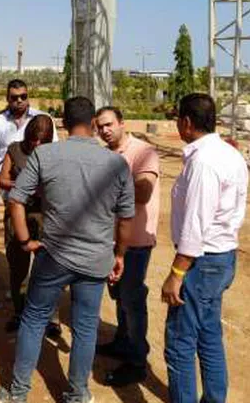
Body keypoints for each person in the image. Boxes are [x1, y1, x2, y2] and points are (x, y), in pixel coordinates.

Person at [0, 97, 137, 403]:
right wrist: (119, 254)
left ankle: (18, 392)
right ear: (94, 124)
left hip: (53, 256)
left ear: (63, 123)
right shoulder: (116, 163)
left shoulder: (45, 154)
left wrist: (24, 240)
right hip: (95, 258)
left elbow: (16, 199)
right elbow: (126, 218)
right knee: (85, 327)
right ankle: (77, 393)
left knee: (33, 319)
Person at [162, 93, 248, 403]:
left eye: (178, 119)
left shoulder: (203, 163)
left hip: (201, 262)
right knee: (208, 334)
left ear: (186, 122)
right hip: (221, 257)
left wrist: (176, 274)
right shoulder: (228, 154)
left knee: (180, 341)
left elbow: (196, 225)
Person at [94, 106, 161, 386]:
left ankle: (136, 362)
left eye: (109, 124)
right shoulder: (106, 155)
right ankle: (123, 342)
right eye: (100, 126)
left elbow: (143, 192)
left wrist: (109, 186)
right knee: (119, 295)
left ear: (122, 123)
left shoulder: (143, 152)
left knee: (132, 300)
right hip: (112, 240)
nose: (105, 130)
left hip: (135, 241)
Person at [0, 114, 60, 337]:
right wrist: (22, 186)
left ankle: (51, 318)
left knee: (49, 270)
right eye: (33, 140)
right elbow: (2, 179)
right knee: (18, 269)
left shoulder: (56, 153)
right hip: (18, 214)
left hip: (45, 216)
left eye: (42, 142)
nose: (36, 145)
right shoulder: (15, 150)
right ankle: (19, 312)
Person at [0, 79, 57, 174]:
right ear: (7, 98)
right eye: (14, 97)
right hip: (6, 175)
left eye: (23, 96)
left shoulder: (44, 119)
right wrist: (4, 167)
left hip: (37, 175)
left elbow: (54, 148)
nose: (19, 100)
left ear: (28, 97)